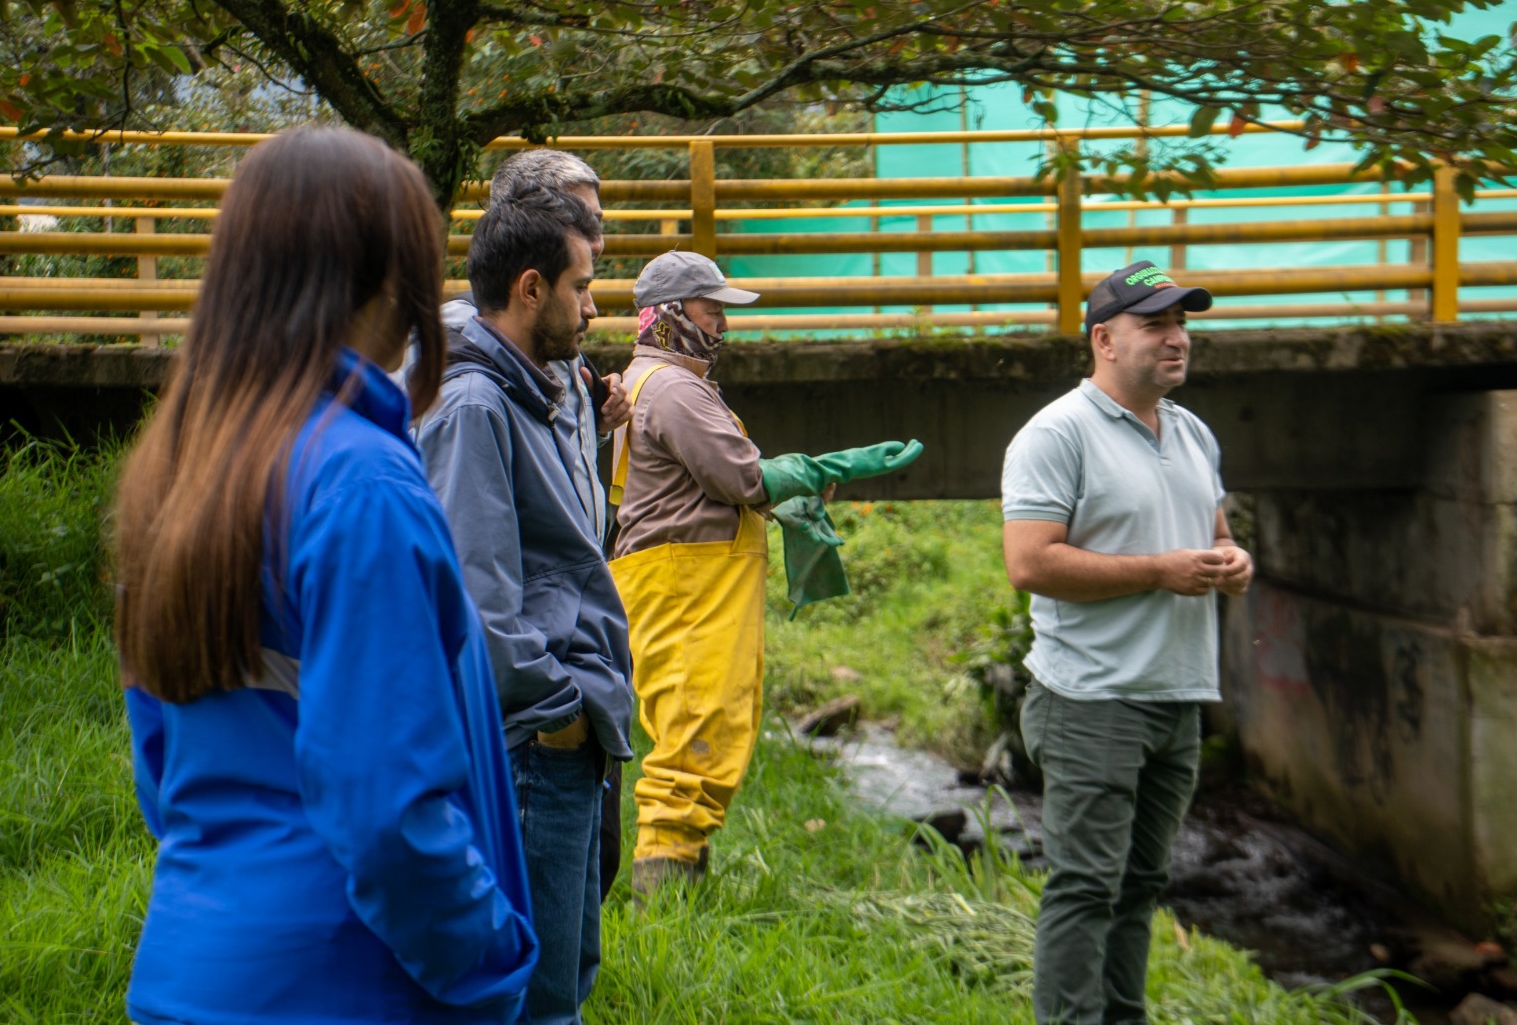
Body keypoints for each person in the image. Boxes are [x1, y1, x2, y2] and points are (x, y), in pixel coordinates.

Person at [114, 127, 538, 1025]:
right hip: (351, 983)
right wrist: (490, 955)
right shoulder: (361, 478)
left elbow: (164, 770)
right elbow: (390, 815)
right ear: (387, 272)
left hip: (191, 970)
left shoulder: (178, 470)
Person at [609, 250, 921, 897]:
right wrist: (830, 466)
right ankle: (662, 906)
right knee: (695, 738)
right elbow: (741, 479)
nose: (723, 324)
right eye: (711, 308)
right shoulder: (671, 387)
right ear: (668, 314)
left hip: (687, 578)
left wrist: (793, 491)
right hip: (686, 582)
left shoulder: (656, 382)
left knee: (708, 728)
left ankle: (682, 892)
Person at [1000, 260, 1254, 1025]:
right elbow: (1030, 562)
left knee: (1142, 885)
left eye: (1182, 323)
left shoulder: (1193, 431)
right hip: (1091, 699)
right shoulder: (1056, 433)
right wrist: (1160, 572)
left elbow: (1213, 539)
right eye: (1157, 325)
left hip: (1177, 695)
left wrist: (1233, 564)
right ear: (1104, 338)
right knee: (1085, 888)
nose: (1177, 339)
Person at [416, 190, 632, 1025]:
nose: (595, 304)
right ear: (532, 288)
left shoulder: (535, 389)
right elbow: (477, 598)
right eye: (585, 285)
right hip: (536, 742)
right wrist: (556, 713)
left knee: (567, 979)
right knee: (536, 1001)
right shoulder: (476, 407)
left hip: (568, 731)